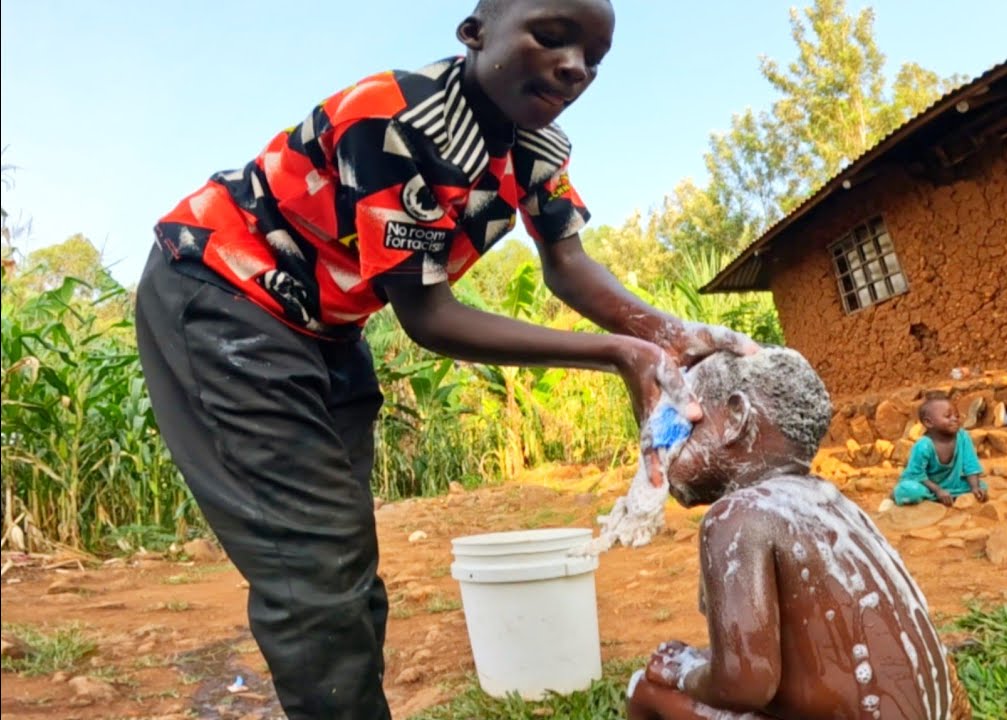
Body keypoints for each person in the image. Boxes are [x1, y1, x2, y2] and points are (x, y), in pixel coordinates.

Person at [133, 1, 754, 717]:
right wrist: (622, 351)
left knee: (341, 558)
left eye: (593, 58)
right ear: (473, 34)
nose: (574, 67)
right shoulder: (392, 118)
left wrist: (666, 331)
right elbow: (430, 318)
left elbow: (567, 262)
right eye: (551, 38)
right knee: (312, 564)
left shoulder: (538, 147)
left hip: (326, 326)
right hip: (223, 294)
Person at [626, 348, 970, 720]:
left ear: (736, 417)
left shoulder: (736, 517)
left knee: (645, 690)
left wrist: (682, 671)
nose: (665, 446)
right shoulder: (831, 500)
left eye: (683, 422)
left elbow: (745, 682)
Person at [892, 395, 988, 507]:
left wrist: (975, 488)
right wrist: (938, 491)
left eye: (956, 415)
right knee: (909, 490)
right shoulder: (923, 445)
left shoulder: (962, 437)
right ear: (928, 422)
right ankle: (895, 496)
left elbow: (970, 465)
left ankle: (938, 498)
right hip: (925, 485)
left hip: (952, 484)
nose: (955, 419)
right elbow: (917, 475)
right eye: (948, 416)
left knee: (982, 485)